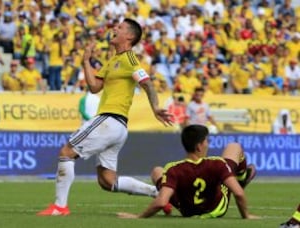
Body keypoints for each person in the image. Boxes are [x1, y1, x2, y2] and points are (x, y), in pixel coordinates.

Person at [37, 18, 172, 216]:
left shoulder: (130, 59)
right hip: (116, 127)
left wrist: (156, 108)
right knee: (108, 181)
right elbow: (94, 87)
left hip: (110, 119)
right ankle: (157, 194)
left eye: (120, 27)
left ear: (130, 36)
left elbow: (147, 84)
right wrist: (86, 61)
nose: (114, 29)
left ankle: (60, 206)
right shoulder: (112, 61)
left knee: (67, 152)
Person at [118, 125, 259, 219]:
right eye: (206, 141)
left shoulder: (173, 169)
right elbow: (239, 194)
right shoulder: (217, 164)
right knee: (234, 147)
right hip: (216, 209)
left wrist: (138, 217)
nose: (207, 144)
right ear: (199, 146)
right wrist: (246, 216)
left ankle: (168, 193)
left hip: (187, 211)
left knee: (157, 171)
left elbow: (160, 203)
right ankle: (241, 177)